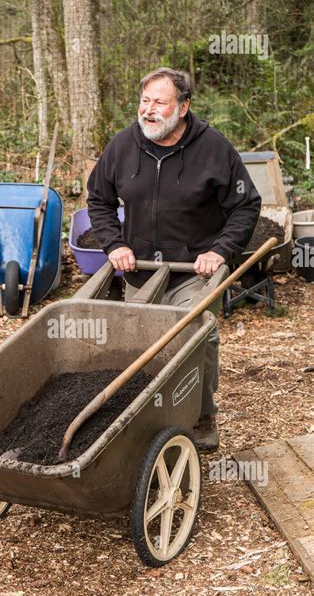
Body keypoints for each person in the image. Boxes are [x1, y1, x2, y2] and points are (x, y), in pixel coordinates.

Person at [87, 67, 261, 450]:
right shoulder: (122, 146)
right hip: (140, 272)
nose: (148, 110)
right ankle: (144, 422)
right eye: (144, 101)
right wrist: (115, 244)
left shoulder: (214, 148)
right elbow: (98, 199)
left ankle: (200, 419)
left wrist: (220, 250)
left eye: (159, 102)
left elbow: (246, 205)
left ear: (183, 106)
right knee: (140, 344)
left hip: (192, 271)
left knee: (195, 338)